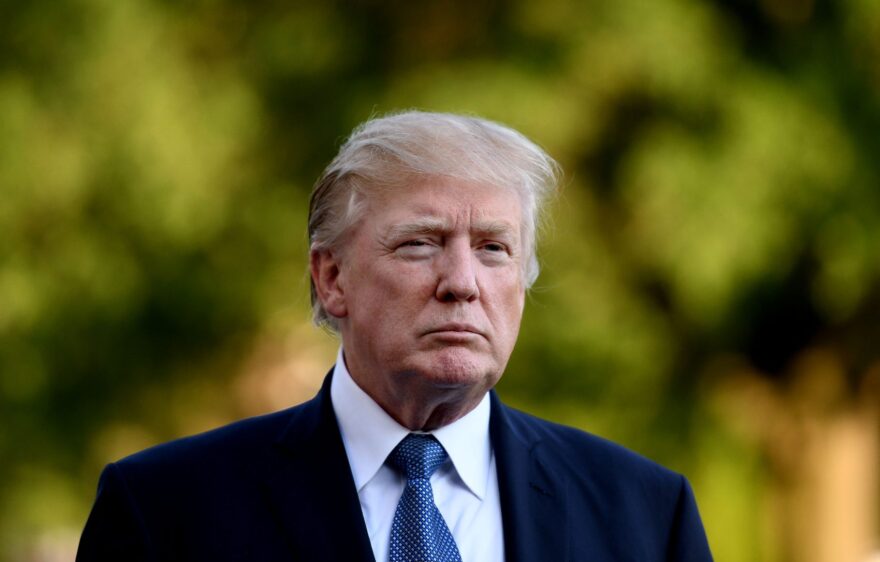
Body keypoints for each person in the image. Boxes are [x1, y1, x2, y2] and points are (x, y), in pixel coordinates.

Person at [77, 111, 713, 561]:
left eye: (494, 248)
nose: (462, 282)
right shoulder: (165, 512)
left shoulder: (647, 515)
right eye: (420, 243)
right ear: (332, 279)